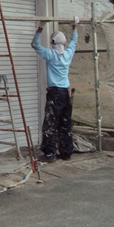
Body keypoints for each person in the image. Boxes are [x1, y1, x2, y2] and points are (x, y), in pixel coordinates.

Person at [31, 17, 79, 163]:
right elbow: (74, 41)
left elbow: (35, 44)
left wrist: (41, 27)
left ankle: (50, 153)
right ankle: (66, 152)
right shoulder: (68, 54)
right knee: (65, 122)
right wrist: (74, 26)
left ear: (52, 43)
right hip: (65, 92)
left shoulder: (51, 55)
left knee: (50, 123)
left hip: (55, 93)